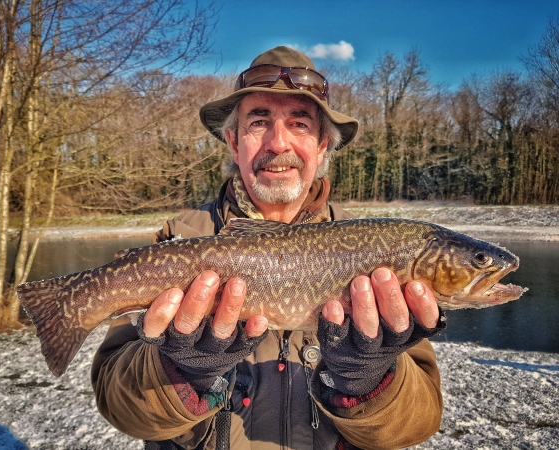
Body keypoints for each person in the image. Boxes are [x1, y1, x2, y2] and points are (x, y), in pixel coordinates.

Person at [92, 46, 445, 450]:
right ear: (233, 141)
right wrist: (181, 371)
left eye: (299, 124)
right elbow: (120, 407)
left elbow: (417, 424)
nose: (279, 143)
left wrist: (367, 380)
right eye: (259, 122)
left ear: (323, 146)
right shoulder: (176, 242)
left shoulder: (378, 249)